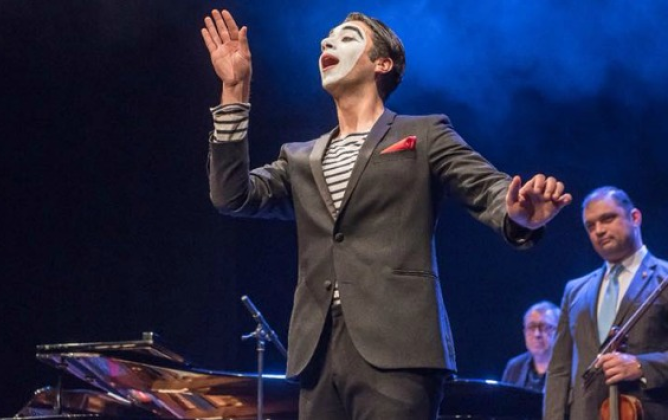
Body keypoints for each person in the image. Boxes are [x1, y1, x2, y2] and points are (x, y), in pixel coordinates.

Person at [201, 9, 572, 420]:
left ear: (382, 63)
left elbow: (487, 187)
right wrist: (234, 90)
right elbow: (232, 194)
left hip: (399, 347)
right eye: (327, 38)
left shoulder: (424, 133)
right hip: (318, 352)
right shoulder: (300, 157)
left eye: (347, 37)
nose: (327, 43)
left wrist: (519, 215)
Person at [544, 186, 668, 419]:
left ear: (635, 217)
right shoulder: (575, 290)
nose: (599, 230)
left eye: (608, 219)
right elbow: (559, 371)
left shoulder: (664, 279)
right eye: (590, 226)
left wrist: (641, 366)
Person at [502, 301, 560, 392]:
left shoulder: (574, 369)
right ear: (524, 332)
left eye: (545, 327)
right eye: (531, 327)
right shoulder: (515, 367)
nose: (537, 334)